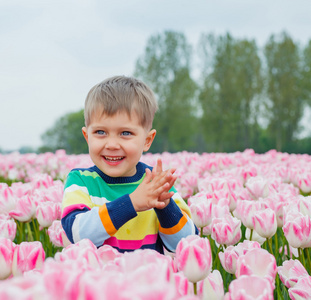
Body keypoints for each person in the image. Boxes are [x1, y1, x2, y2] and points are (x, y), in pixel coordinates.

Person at [61, 75, 197, 254]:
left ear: (147, 140)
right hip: (99, 281)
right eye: (100, 132)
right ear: (87, 137)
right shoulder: (81, 181)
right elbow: (77, 234)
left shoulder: (154, 183)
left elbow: (185, 243)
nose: (111, 144)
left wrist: (165, 206)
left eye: (125, 133)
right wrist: (131, 203)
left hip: (148, 280)